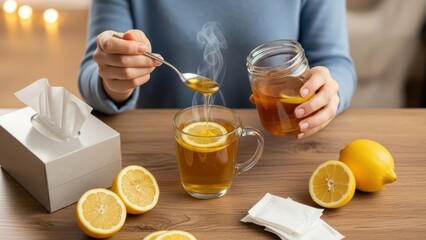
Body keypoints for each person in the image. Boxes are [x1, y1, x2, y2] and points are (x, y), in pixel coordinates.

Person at [78, 0, 357, 139]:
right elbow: (91, 74)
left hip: (276, 153)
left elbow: (336, 63)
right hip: (164, 151)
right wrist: (115, 80)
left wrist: (329, 91)